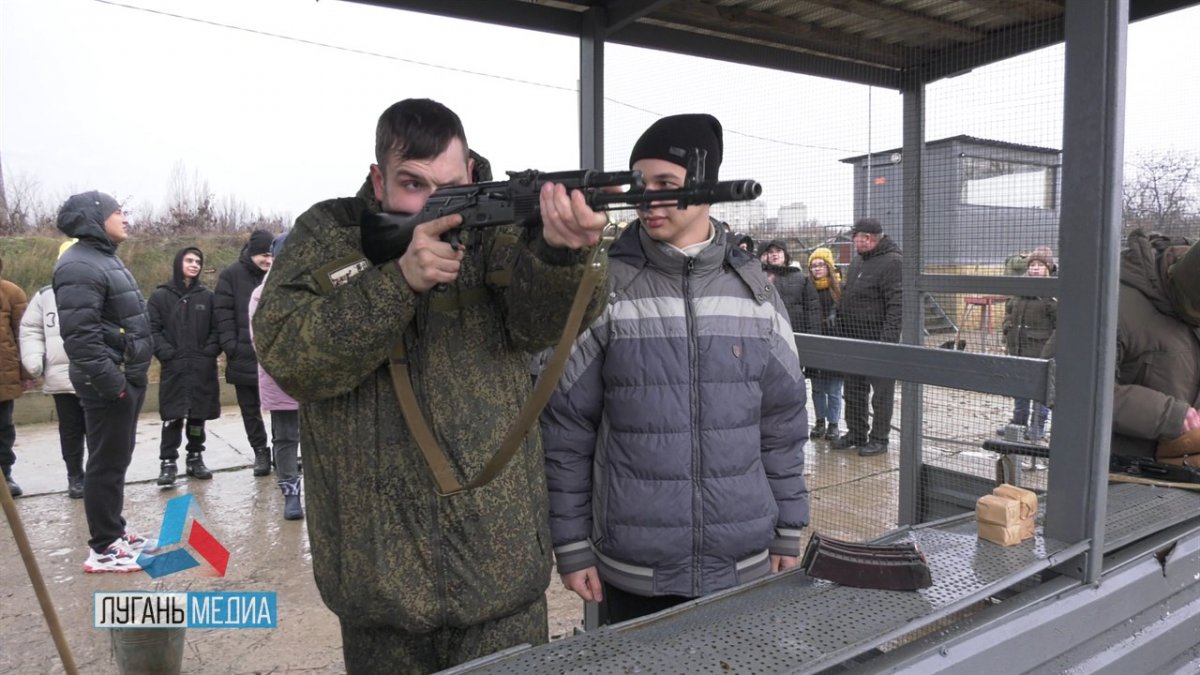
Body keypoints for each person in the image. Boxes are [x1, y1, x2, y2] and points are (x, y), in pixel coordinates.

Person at [252, 98, 609, 674]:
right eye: (412, 185)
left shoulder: (503, 230)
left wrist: (562, 254)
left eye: (447, 184)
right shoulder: (329, 233)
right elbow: (292, 357)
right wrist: (397, 283)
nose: (433, 204)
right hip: (379, 583)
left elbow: (539, 326)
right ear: (378, 178)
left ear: (470, 173)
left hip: (500, 575)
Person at [541, 113, 809, 625]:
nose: (649, 198)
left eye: (667, 183)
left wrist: (788, 527)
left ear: (706, 187)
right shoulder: (605, 288)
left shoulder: (756, 293)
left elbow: (783, 425)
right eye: (640, 183)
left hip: (742, 564)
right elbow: (567, 427)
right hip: (634, 569)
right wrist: (572, 543)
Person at [53, 191, 153, 573]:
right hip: (110, 384)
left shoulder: (102, 258)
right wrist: (115, 384)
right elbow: (81, 337)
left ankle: (115, 531)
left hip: (125, 376)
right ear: (95, 218)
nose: (125, 218)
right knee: (105, 464)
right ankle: (103, 548)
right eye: (118, 212)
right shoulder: (79, 265)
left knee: (115, 459)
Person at [1112, 230, 1200, 463]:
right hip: (1120, 473)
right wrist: (1168, 416)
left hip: (1184, 471)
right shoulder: (1114, 303)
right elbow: (1068, 384)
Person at [19, 241, 89, 498]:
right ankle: (75, 476)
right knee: (70, 431)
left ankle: (98, 476)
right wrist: (34, 358)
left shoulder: (99, 288)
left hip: (96, 375)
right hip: (61, 378)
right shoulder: (45, 295)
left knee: (98, 432)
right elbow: (30, 328)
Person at [147, 246, 221, 486]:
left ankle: (195, 456)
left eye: (198, 261)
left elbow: (217, 329)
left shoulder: (207, 297)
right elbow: (152, 330)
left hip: (201, 368)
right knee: (173, 417)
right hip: (174, 369)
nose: (194, 265)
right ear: (179, 262)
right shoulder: (160, 297)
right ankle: (168, 462)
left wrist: (208, 352)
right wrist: (167, 353)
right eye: (189, 260)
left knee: (197, 417)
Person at [832, 217, 903, 457]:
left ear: (871, 238)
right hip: (853, 336)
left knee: (881, 393)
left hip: (878, 338)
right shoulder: (857, 262)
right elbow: (848, 294)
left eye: (859, 238)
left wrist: (888, 342)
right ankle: (856, 432)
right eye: (855, 237)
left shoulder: (893, 262)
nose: (855, 241)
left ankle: (879, 438)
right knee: (853, 388)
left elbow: (897, 304)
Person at [248, 233, 303, 521]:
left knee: (317, 436)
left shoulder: (312, 287)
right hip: (280, 376)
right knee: (285, 436)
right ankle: (291, 492)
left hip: (315, 375)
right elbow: (262, 341)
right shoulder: (261, 295)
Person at [214, 228, 273, 476]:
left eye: (271, 254)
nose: (268, 260)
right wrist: (232, 346)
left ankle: (284, 453)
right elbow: (222, 314)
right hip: (243, 355)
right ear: (251, 252)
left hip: (273, 357)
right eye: (263, 255)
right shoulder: (231, 275)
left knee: (281, 408)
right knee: (249, 409)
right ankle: (260, 451)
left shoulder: (277, 274)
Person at [999, 248, 1057, 466]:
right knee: (1019, 390)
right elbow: (1009, 311)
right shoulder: (1018, 289)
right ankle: (1018, 422)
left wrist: (1050, 350)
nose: (1034, 269)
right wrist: (1006, 329)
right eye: (1032, 265)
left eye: (1039, 266)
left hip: (1041, 351)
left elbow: (1059, 324)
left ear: (1047, 269)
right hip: (1018, 348)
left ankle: (1037, 427)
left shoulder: (1051, 295)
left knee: (1040, 393)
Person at [806, 246, 844, 441]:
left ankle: (834, 423)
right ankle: (820, 421)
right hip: (815, 343)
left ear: (829, 265)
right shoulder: (808, 288)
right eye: (813, 266)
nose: (817, 269)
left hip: (835, 345)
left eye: (820, 264)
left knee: (834, 389)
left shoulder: (839, 289)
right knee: (817, 388)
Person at [1, 254, 31, 497]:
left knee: (3, 428)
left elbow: (23, 336)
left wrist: (26, 372)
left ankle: (5, 474)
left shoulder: (11, 292)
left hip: (3, 375)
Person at [759, 239, 820, 335]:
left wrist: (813, 334)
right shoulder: (761, 278)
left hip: (798, 333)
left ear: (785, 255)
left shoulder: (801, 278)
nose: (775, 254)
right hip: (769, 335)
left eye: (778, 251)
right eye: (771, 252)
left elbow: (812, 309)